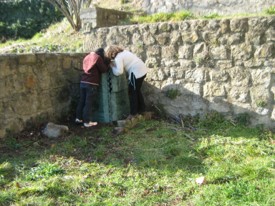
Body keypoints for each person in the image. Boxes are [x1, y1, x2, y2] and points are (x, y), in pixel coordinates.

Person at [105, 45, 148, 120]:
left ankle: (133, 113)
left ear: (111, 53)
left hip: (136, 73)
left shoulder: (118, 57)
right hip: (142, 70)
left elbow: (119, 72)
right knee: (136, 90)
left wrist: (112, 66)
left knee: (132, 92)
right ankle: (142, 109)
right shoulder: (124, 52)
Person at [75, 48, 110, 127]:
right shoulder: (97, 57)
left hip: (83, 82)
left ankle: (78, 118)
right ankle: (87, 122)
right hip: (91, 83)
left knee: (82, 101)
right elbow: (103, 70)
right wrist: (108, 64)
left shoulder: (87, 56)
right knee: (89, 103)